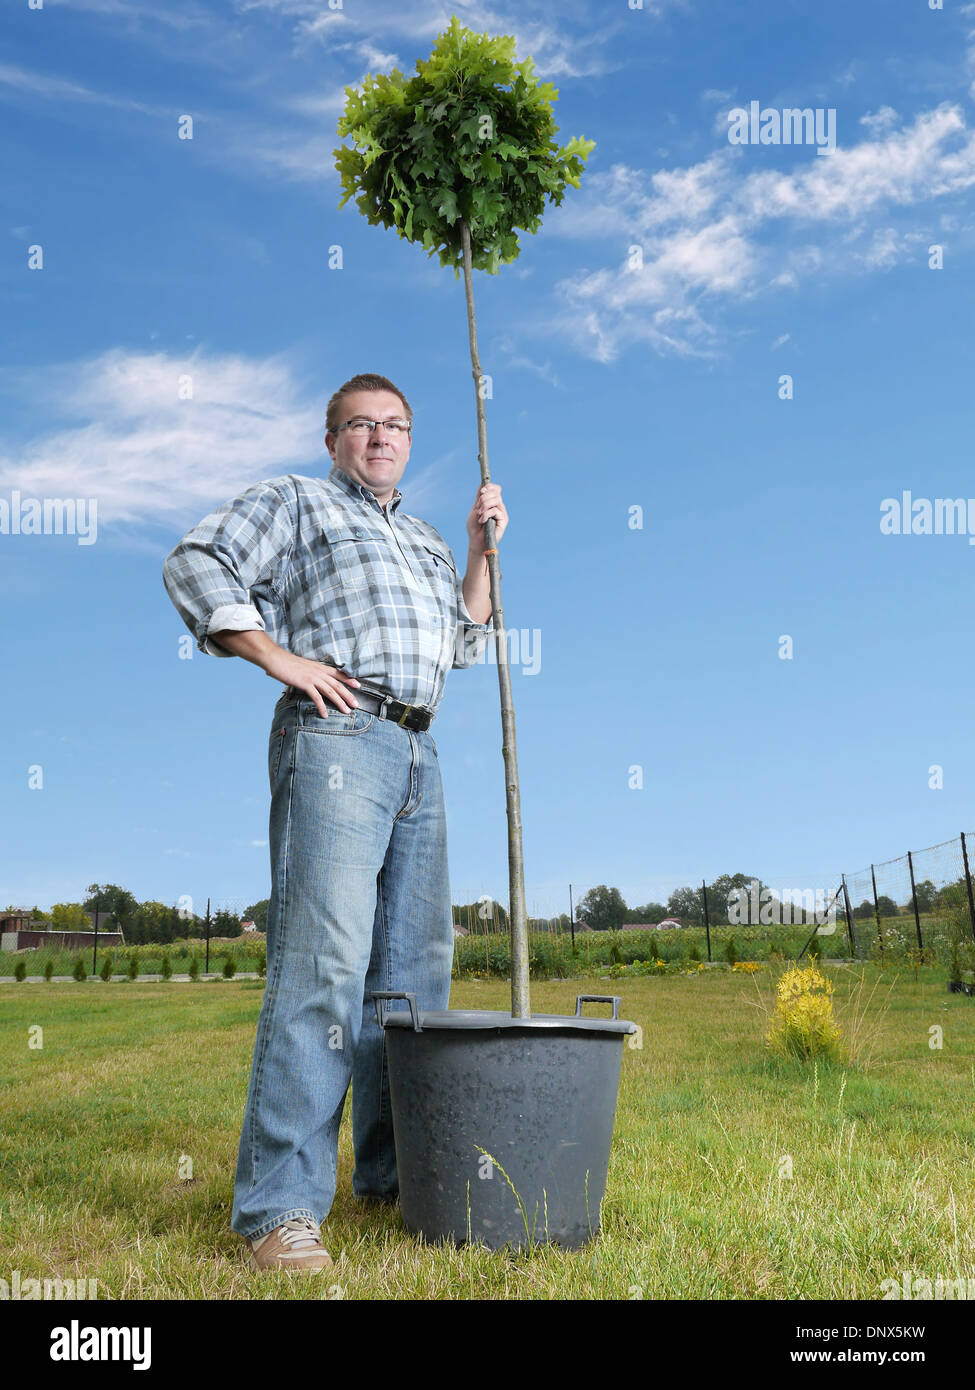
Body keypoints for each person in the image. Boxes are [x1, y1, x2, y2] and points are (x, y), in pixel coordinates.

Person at [161, 372, 507, 1271]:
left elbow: (465, 642)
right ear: (331, 438)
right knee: (324, 966)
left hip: (418, 751)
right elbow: (195, 561)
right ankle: (278, 1210)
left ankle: (393, 1183)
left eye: (395, 425)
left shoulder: (428, 539)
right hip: (339, 736)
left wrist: (477, 548)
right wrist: (279, 658)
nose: (380, 437)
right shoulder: (298, 501)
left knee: (408, 981)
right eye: (361, 424)